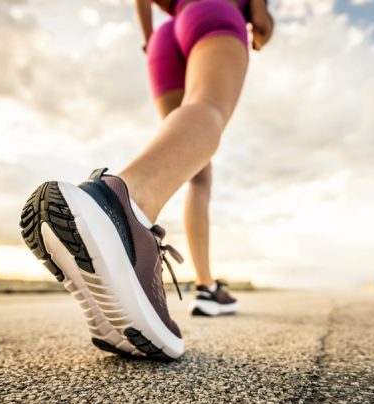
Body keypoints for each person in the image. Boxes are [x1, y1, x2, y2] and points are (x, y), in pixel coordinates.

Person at [19, 0, 273, 360]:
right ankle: (125, 206)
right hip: (214, 12)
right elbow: (260, 24)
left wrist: (150, 36)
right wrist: (261, 21)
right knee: (209, 108)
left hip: (167, 33)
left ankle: (205, 284)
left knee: (197, 164)